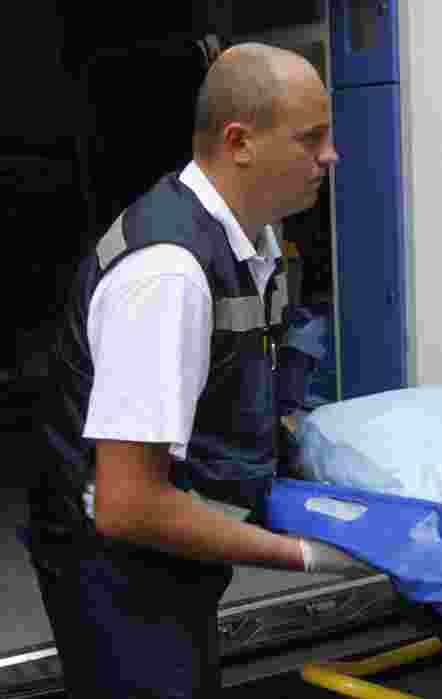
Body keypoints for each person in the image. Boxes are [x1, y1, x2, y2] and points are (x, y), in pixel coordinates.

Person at [27, 43, 356, 698]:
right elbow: (127, 504)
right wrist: (301, 554)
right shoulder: (168, 273)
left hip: (171, 560)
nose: (331, 156)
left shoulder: (252, 244)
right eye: (311, 139)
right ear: (239, 142)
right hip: (119, 574)